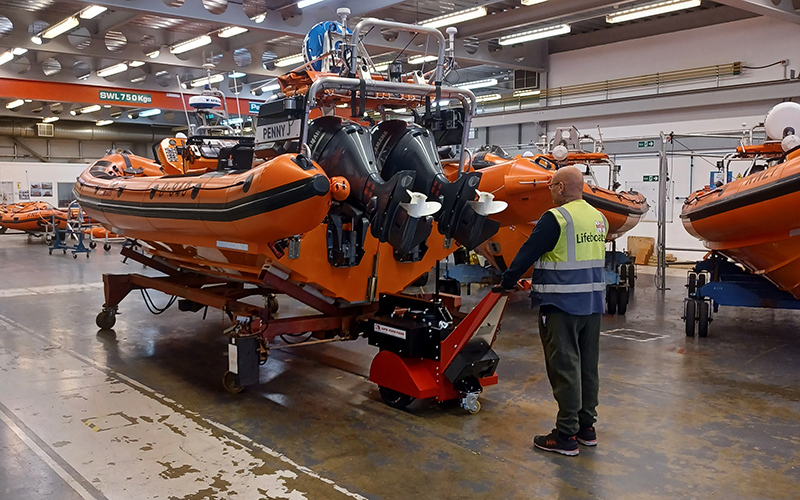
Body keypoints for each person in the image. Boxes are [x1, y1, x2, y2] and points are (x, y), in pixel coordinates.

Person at [494, 166, 607, 456]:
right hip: (592, 305)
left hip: (561, 306)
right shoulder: (599, 218)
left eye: (551, 187)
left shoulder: (556, 218)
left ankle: (566, 434)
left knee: (565, 367)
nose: (550, 193)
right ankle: (586, 427)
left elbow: (527, 254)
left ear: (559, 188)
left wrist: (506, 281)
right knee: (587, 366)